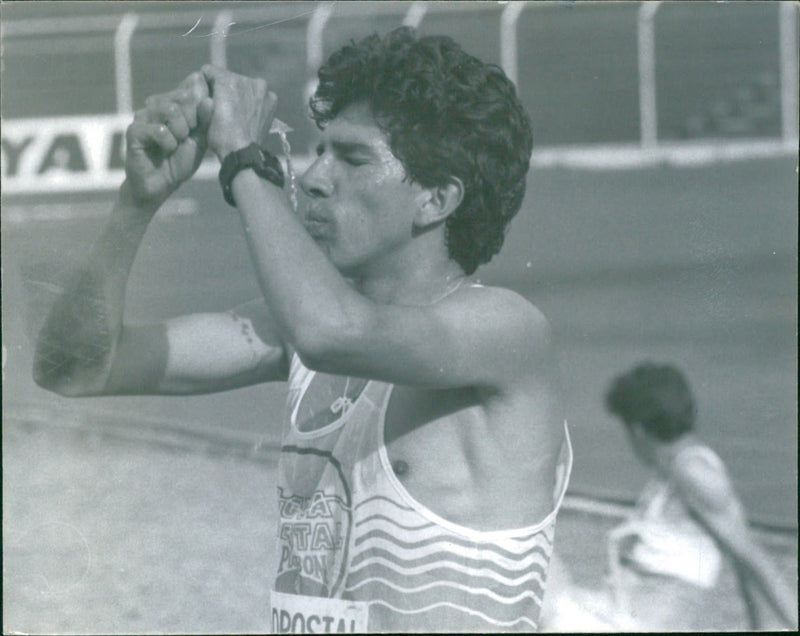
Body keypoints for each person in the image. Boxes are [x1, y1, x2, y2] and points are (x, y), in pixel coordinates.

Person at [33, 27, 571, 632]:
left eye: (352, 157)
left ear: (436, 200)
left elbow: (332, 332)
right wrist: (136, 204)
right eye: (319, 150)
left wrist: (243, 156)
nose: (313, 177)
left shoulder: (504, 331)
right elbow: (75, 369)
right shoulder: (295, 328)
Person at [542, 362, 796, 631]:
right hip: (616, 612)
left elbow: (756, 563)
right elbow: (743, 559)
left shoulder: (694, 473)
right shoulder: (675, 472)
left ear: (638, 430)